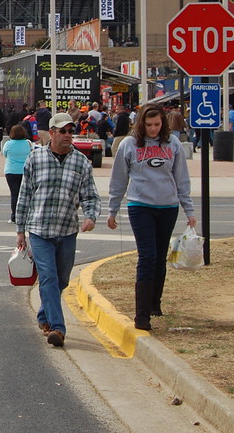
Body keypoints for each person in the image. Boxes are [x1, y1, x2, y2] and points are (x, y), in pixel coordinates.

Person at [106, 103, 195, 331]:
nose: (153, 129)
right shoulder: (129, 145)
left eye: (157, 124)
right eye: (149, 125)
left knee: (159, 256)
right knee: (147, 256)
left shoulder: (172, 143)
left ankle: (155, 304)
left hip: (168, 206)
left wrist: (189, 210)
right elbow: (118, 180)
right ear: (141, 124)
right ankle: (142, 315)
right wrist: (112, 209)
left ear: (163, 123)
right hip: (140, 205)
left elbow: (181, 178)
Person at [15, 112, 100, 348]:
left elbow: (90, 196)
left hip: (67, 229)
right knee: (48, 277)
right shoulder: (35, 158)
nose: (67, 135)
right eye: (62, 131)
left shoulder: (81, 162)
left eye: (70, 131)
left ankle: (44, 315)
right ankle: (57, 328)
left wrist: (91, 216)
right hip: (39, 229)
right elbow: (25, 195)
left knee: (61, 279)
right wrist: (20, 229)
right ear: (51, 133)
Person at [2, 124, 34, 224]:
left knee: (14, 194)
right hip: (25, 171)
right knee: (26, 194)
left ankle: (14, 216)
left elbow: (5, 154)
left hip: (11, 170)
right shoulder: (27, 143)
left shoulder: (8, 144)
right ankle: (26, 214)